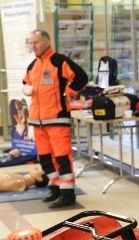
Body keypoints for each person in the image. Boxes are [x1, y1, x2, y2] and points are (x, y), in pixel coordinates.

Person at [23, 29, 89, 209]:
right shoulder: (33, 66)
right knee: (45, 158)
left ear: (46, 42)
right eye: (31, 43)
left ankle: (68, 193)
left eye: (35, 42)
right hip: (38, 121)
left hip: (57, 119)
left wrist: (68, 93)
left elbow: (81, 77)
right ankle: (55, 187)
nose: (33, 46)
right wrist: (26, 89)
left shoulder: (59, 61)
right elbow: (26, 82)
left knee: (62, 158)